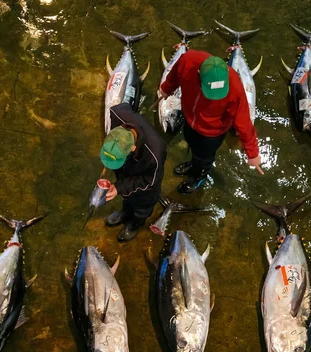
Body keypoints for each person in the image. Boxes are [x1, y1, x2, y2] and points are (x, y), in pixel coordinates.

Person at [159, 51, 263, 194]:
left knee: (205, 157)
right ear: (198, 73)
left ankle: (199, 175)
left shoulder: (234, 85)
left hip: (213, 132)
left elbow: (243, 120)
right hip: (190, 119)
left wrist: (252, 153)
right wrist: (166, 88)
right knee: (191, 142)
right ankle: (193, 164)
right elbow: (175, 74)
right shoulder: (188, 60)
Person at [100, 103, 167, 242]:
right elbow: (125, 104)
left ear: (133, 148)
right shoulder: (117, 113)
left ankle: (136, 222)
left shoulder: (155, 154)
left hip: (146, 185)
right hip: (127, 169)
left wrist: (119, 187)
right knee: (127, 196)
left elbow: (150, 181)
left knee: (142, 203)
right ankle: (126, 211)